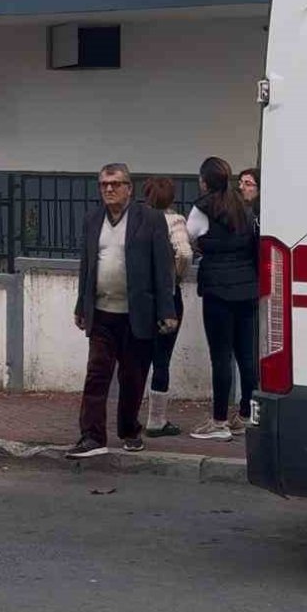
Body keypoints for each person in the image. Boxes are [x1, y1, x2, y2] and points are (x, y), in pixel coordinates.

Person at [66, 163, 177, 459]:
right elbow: (87, 265)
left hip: (136, 315)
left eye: (115, 184)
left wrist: (166, 309)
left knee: (133, 377)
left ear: (129, 188)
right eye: (104, 184)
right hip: (101, 313)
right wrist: (81, 304)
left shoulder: (150, 219)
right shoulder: (92, 219)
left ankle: (129, 431)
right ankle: (92, 436)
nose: (109, 189)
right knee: (97, 375)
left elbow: (163, 268)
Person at [187, 157, 259, 441]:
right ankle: (246, 416)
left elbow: (189, 238)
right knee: (247, 356)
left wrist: (203, 247)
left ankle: (218, 421)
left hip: (218, 291)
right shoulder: (243, 205)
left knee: (221, 357)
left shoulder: (203, 206)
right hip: (247, 288)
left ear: (205, 181)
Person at [142, 178, 193, 437]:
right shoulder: (175, 221)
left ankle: (127, 416)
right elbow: (184, 253)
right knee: (162, 358)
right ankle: (156, 420)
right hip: (168, 298)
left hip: (139, 299)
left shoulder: (136, 220)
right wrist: (176, 275)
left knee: (136, 357)